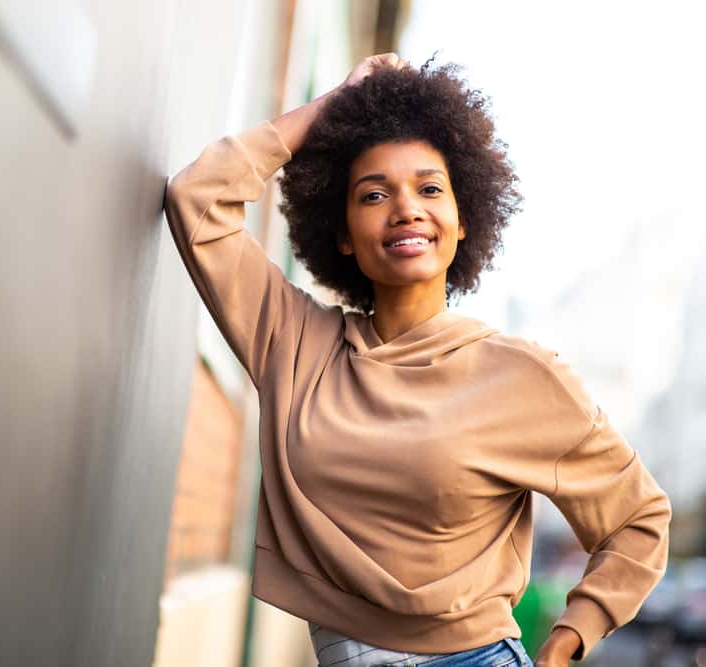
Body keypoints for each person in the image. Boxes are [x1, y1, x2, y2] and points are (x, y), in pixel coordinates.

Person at [163, 53, 671, 667]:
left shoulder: (521, 376)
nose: (406, 208)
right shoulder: (293, 342)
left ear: (462, 221)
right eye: (373, 194)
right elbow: (198, 199)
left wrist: (565, 643)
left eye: (430, 189)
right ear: (342, 232)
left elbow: (638, 519)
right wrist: (335, 108)